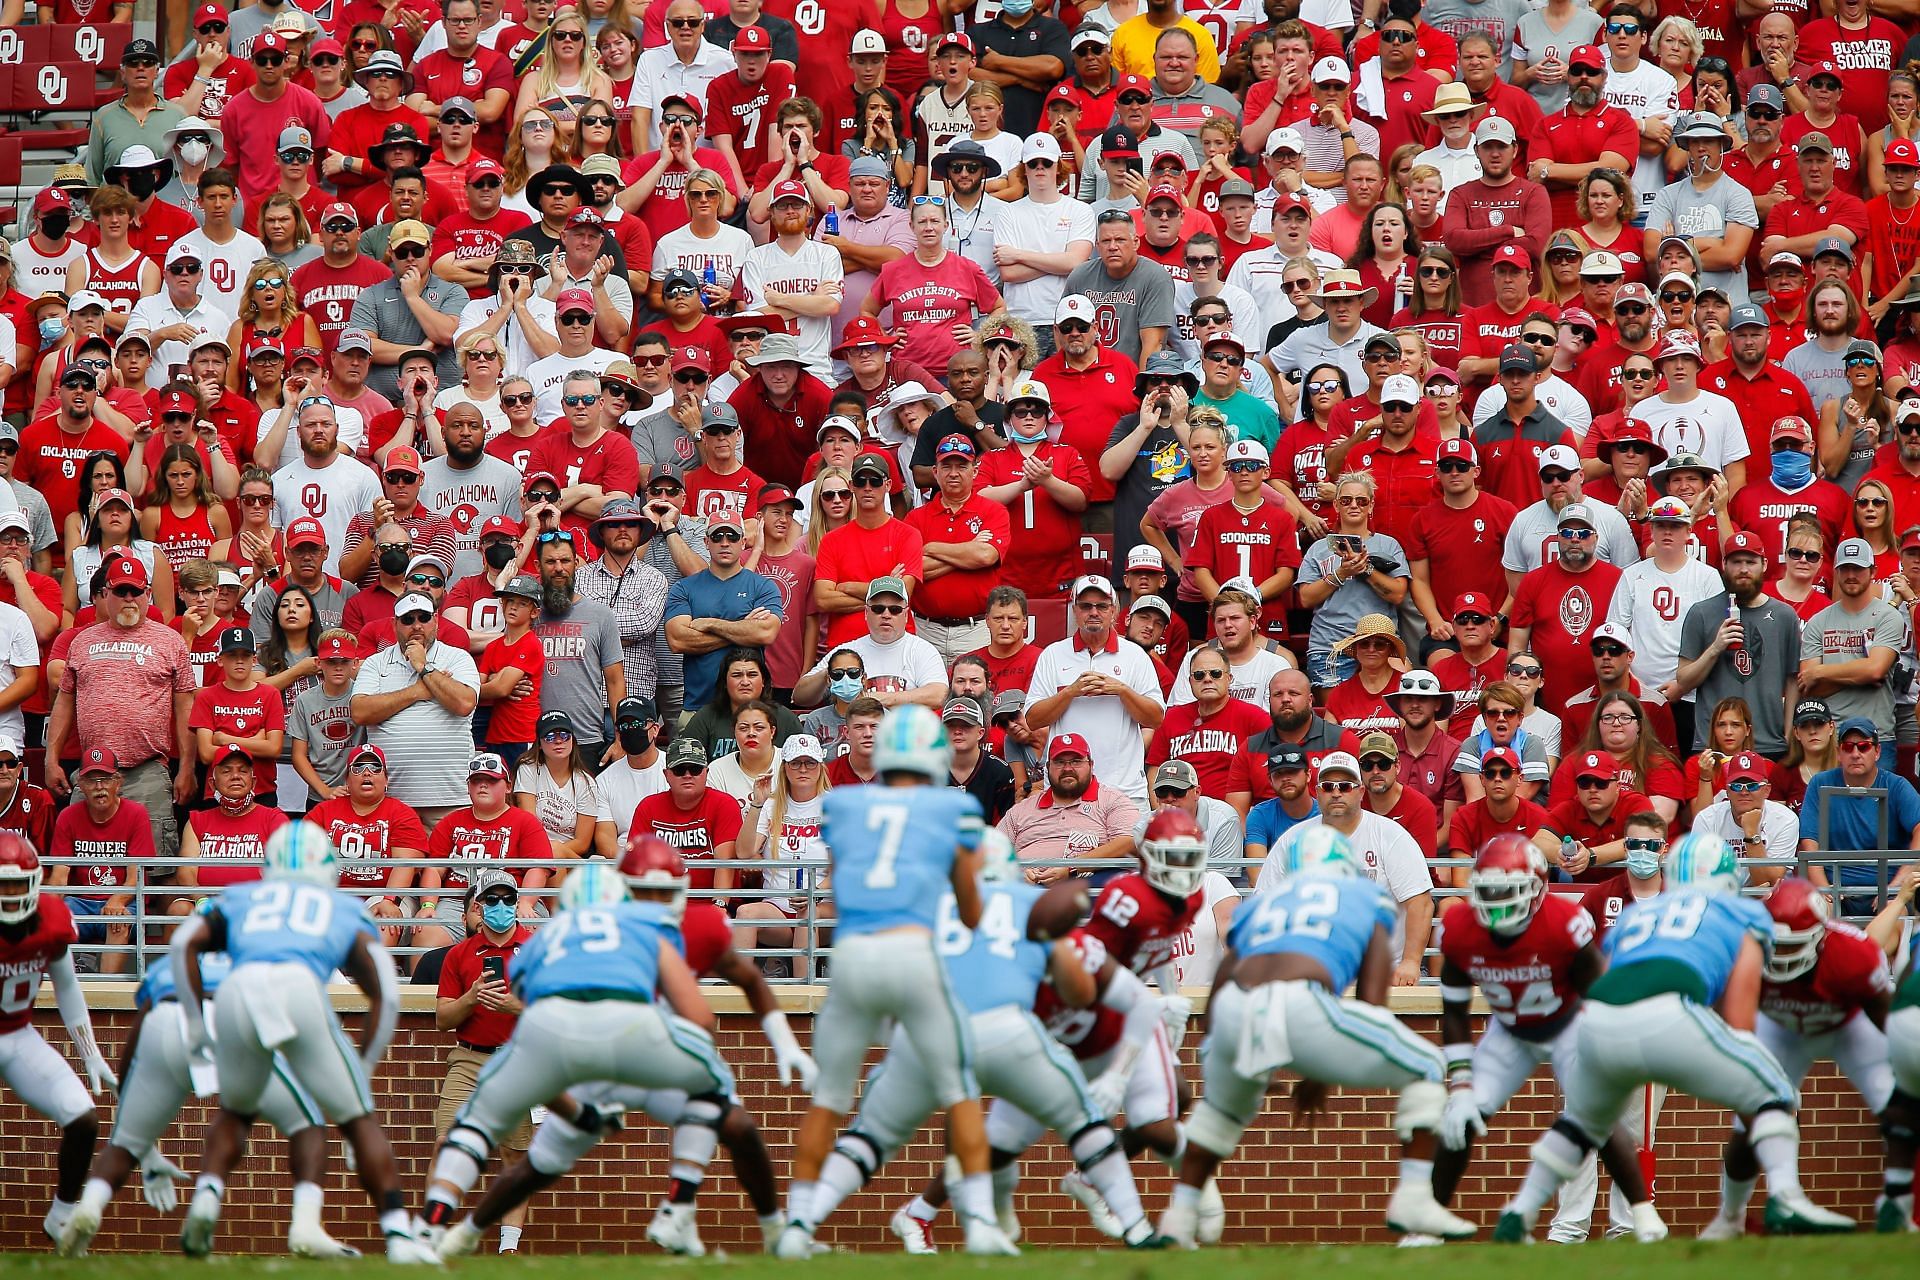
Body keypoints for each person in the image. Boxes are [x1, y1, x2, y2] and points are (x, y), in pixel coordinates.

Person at [1492, 833, 1853, 1240]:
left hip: (1592, 1020)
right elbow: (1739, 1012)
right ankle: (1782, 1199)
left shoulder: (1635, 914)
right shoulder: (1740, 913)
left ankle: (1520, 1213)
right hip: (1664, 1012)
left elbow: (1603, 972)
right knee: (1775, 1090)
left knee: (1581, 1121)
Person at [1156, 824, 1475, 1247]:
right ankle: (1414, 1197)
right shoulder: (1364, 896)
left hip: (1234, 1008)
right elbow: (1371, 1002)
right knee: (1428, 1065)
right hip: (1300, 1003)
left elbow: (1226, 972)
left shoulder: (1262, 904)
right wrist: (1319, 1064)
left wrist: (1217, 1047)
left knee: (1217, 1117)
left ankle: (1178, 1222)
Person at [774, 705, 1013, 1256]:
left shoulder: (844, 804)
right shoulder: (949, 811)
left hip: (855, 951)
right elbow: (971, 910)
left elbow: (841, 874)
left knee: (829, 1101)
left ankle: (797, 1228)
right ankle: (978, 1226)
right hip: (913, 951)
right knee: (959, 1095)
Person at [171, 823, 431, 1260]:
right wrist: (363, 1072)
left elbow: (183, 943)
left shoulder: (242, 895)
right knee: (358, 1120)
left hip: (237, 990)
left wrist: (197, 1025)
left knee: (235, 1112)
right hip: (298, 986)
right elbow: (385, 989)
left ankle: (206, 1200)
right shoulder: (340, 906)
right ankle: (399, 1236)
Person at [1428, 833, 1652, 1231]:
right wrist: (1461, 1083)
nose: (1497, 907)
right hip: (1510, 1029)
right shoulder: (1461, 927)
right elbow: (1455, 1011)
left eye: (1507, 892)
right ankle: (1427, 1225)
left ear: (1537, 890)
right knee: (1458, 1118)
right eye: (1489, 893)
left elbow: (1598, 995)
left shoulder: (1563, 924)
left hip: (1568, 1023)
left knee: (1594, 1113)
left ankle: (1644, 1217)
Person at [429, 869, 534, 1254]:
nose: (502, 907)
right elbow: (443, 1020)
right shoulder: (460, 953)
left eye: (509, 899)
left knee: (514, 1155)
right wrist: (472, 997)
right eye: (493, 900)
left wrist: (516, 1005)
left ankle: (509, 1248)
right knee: (446, 1143)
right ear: (479, 906)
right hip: (470, 1057)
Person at [1024, 575, 1166, 809]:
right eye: (1086, 606)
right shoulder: (1052, 654)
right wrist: (1070, 692)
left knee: (1127, 847)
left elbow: (1156, 718)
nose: (1094, 612)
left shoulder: (1135, 655)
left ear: (1114, 611)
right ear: (1074, 610)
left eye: (1101, 606)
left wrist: (1121, 690)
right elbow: (1033, 719)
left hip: (1124, 789)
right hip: (1066, 788)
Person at [349, 591, 481, 827]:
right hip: (390, 800)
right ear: (394, 624)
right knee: (397, 865)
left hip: (451, 800)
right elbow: (360, 712)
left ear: (437, 619)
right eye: (408, 620)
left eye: (424, 617)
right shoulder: (375, 663)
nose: (417, 626)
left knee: (446, 865)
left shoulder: (457, 658)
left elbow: (463, 703)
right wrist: (417, 691)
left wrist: (423, 666)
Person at [1800, 537, 1903, 769]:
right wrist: (1861, 673)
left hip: (1877, 736)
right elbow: (1809, 687)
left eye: (1857, 568)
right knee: (1831, 805)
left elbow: (1876, 670)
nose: (1851, 574)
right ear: (1836, 571)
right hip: (1831, 738)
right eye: (1845, 568)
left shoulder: (1888, 617)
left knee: (1876, 805)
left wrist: (1822, 671)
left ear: (1873, 571)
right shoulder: (1819, 621)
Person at [1797, 717, 1920, 899]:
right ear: (1839, 753)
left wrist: (1896, 888)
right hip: (1834, 885)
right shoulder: (1819, 783)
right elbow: (1809, 842)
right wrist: (1825, 890)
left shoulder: (1897, 785)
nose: (1855, 754)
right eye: (1848, 747)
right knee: (1822, 915)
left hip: (1889, 886)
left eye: (1864, 746)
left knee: (1894, 919)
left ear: (1877, 751)